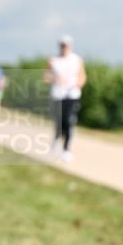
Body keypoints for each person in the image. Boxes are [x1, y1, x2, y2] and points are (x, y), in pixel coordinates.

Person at [44, 35, 86, 163]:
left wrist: (77, 84)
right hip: (57, 94)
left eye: (66, 45)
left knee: (69, 121)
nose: (64, 48)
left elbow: (82, 77)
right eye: (62, 45)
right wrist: (56, 79)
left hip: (72, 95)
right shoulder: (53, 60)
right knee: (59, 121)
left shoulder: (77, 60)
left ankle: (66, 149)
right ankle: (56, 140)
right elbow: (46, 77)